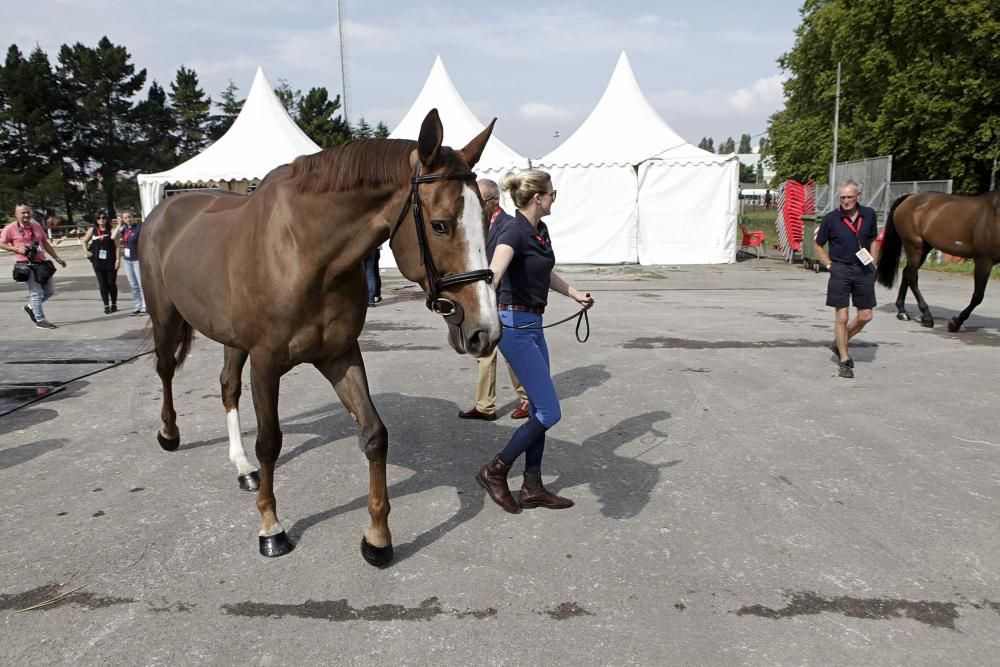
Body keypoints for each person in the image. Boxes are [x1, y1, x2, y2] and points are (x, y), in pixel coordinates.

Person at [476, 169, 594, 512]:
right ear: (539, 198)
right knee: (549, 411)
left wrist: (573, 292)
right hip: (514, 328)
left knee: (540, 410)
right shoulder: (513, 232)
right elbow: (495, 274)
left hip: (533, 324)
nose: (554, 198)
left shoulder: (538, 231)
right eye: (552, 193)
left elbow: (545, 272)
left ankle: (532, 486)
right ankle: (495, 470)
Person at [458, 178, 530, 421]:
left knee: (512, 354)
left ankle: (529, 398)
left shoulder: (509, 226)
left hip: (507, 296)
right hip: (486, 298)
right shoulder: (477, 224)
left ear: (494, 200)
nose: (476, 205)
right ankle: (485, 406)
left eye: (480, 200)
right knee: (484, 353)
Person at [814, 179, 879, 379]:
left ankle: (840, 341)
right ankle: (844, 360)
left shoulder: (869, 214)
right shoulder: (831, 219)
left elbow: (874, 240)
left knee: (865, 315)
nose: (846, 201)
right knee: (841, 316)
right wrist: (829, 265)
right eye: (842, 197)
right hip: (840, 270)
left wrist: (874, 263)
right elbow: (818, 245)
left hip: (864, 269)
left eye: (850, 197)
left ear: (858, 196)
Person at [0, 202, 68, 329]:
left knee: (50, 290)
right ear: (16, 214)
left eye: (28, 212)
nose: (26, 215)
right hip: (26, 264)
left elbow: (45, 243)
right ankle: (40, 320)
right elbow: (1, 243)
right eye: (23, 213)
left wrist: (57, 258)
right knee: (35, 292)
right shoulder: (10, 228)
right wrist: (16, 249)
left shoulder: (35, 226)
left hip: (41, 263)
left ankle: (31, 307)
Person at [81, 210, 120, 314]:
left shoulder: (111, 230)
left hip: (110, 261)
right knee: (102, 284)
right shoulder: (92, 230)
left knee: (111, 283)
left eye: (103, 218)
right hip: (97, 261)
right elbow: (84, 241)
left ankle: (114, 304)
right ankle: (106, 305)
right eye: (99, 218)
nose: (101, 220)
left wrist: (118, 260)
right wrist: (85, 251)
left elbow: (117, 246)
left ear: (106, 219)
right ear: (96, 220)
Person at [117, 209, 146, 315]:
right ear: (123, 219)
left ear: (133, 217)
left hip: (137, 260)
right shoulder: (123, 230)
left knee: (140, 284)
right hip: (127, 260)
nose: (128, 219)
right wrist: (118, 225)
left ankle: (145, 306)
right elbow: (113, 237)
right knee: (133, 285)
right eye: (125, 218)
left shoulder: (138, 228)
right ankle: (137, 306)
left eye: (129, 217)